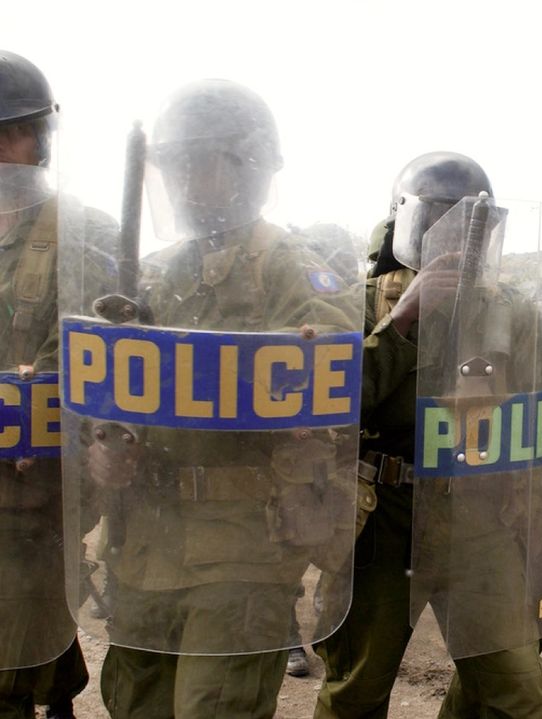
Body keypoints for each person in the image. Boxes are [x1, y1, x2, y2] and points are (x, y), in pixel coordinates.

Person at [74, 79, 362, 719]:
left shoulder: (295, 273)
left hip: (240, 553)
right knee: (134, 706)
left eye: (195, 161)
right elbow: (110, 400)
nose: (179, 181)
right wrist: (103, 449)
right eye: (171, 164)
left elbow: (328, 415)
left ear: (246, 166)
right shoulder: (149, 275)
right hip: (144, 546)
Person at [314, 151, 542, 719]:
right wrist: (400, 320)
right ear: (408, 222)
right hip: (384, 515)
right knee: (356, 691)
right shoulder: (359, 302)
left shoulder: (512, 312)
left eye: (471, 226)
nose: (455, 239)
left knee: (519, 695)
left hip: (480, 519)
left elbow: (540, 416)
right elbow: (330, 409)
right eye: (438, 221)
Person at [0, 49, 116, 719]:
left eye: (10, 133)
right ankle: (58, 686)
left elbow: (83, 361)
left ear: (35, 138)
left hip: (38, 490)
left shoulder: (83, 234)